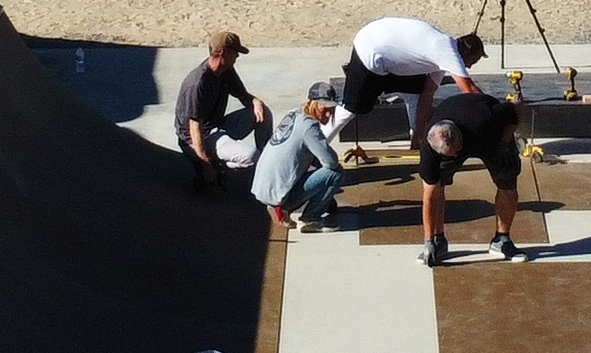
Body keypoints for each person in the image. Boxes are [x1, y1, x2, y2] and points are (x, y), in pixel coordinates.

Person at [339, 16, 485, 153]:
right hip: (369, 49)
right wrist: (494, 111)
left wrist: (419, 136)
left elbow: (427, 96)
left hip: (386, 59)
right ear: (468, 52)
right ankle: (320, 141)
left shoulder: (440, 59)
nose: (470, 67)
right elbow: (470, 90)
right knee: (352, 108)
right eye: (473, 61)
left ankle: (416, 141)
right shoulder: (447, 51)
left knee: (417, 90)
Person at [418, 87, 527, 265]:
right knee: (436, 184)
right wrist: (427, 240)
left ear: (461, 140)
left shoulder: (486, 119)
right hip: (457, 125)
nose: (454, 157)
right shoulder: (430, 148)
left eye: (455, 153)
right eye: (448, 155)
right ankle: (437, 241)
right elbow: (429, 196)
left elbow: (516, 108)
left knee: (508, 182)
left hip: (490, 137)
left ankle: (502, 240)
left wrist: (506, 140)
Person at [251, 97, 346, 233]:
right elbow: (331, 161)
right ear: (313, 103)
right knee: (336, 173)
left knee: (318, 165)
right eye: (324, 108)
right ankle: (310, 219)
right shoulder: (309, 127)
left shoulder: (294, 114)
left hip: (263, 189)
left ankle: (278, 207)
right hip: (276, 195)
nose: (329, 114)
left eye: (332, 109)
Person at [182, 31, 261, 194]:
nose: (237, 57)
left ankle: (271, 161)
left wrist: (255, 101)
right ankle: (215, 168)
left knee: (262, 112)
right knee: (253, 157)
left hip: (218, 126)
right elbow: (194, 127)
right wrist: (205, 165)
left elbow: (243, 95)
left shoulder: (225, 71)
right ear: (224, 53)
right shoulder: (198, 83)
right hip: (199, 136)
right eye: (235, 53)